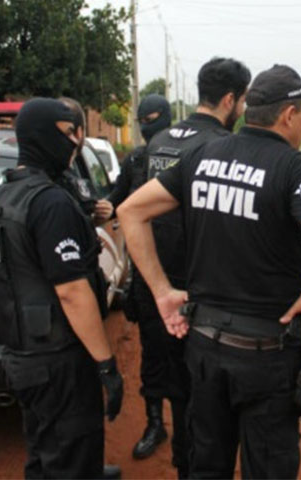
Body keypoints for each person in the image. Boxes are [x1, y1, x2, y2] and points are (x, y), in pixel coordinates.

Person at [118, 64, 301, 479]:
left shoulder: (202, 157)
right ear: (288, 115)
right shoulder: (298, 169)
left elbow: (130, 211)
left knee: (208, 464)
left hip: (204, 351)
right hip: (267, 356)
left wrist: (161, 291)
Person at [0, 98, 123, 479]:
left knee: (44, 453)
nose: (77, 141)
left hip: (23, 355)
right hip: (60, 361)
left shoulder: (3, 196)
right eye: (70, 133)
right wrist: (106, 363)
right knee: (73, 459)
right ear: (44, 136)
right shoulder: (50, 203)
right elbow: (72, 291)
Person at [138, 56, 251, 478]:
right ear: (229, 100)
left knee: (178, 389)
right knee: (209, 399)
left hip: (162, 286)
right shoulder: (221, 148)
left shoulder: (160, 140)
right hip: (206, 293)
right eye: (242, 100)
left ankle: (184, 463)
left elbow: (141, 212)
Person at [108, 94, 173, 461]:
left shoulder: (186, 154)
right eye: (144, 119)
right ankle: (154, 424)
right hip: (147, 277)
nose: (150, 125)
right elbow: (115, 201)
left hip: (184, 275)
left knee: (191, 354)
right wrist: (102, 205)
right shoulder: (133, 160)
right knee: (153, 355)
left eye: (155, 118)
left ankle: (193, 421)